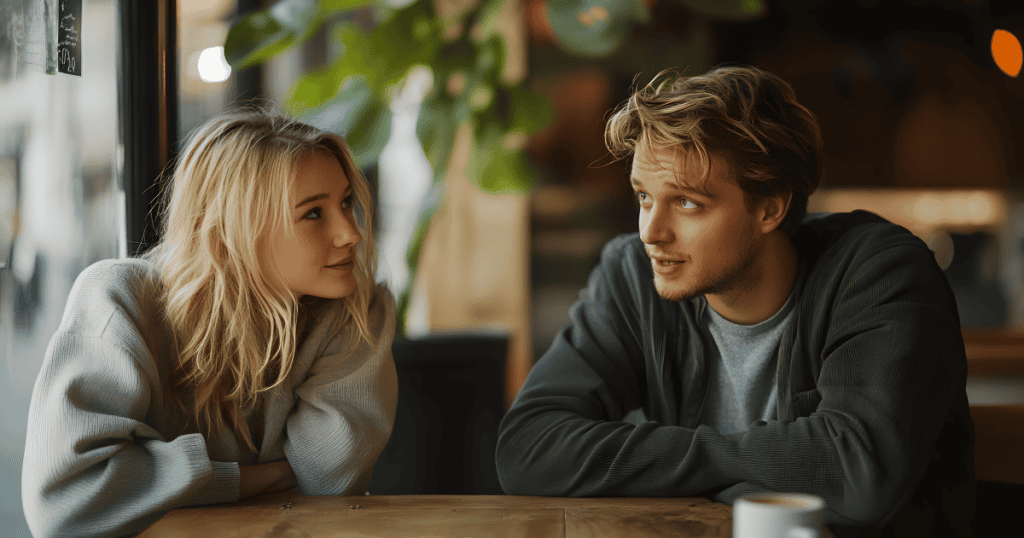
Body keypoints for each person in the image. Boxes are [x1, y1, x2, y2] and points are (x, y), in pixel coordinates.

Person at [495, 65, 975, 537]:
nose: (651, 232)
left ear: (769, 207)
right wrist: (753, 467)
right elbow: (527, 449)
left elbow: (858, 478)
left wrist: (681, 472)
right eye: (644, 197)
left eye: (686, 202)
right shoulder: (633, 277)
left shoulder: (879, 274)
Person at [21, 109, 398, 538]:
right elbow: (65, 505)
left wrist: (148, 482)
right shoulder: (119, 300)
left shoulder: (355, 309)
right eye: (314, 214)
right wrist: (247, 479)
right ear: (235, 230)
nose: (351, 232)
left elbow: (330, 480)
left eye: (346, 202)